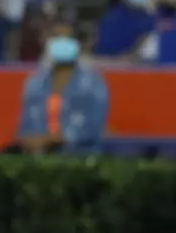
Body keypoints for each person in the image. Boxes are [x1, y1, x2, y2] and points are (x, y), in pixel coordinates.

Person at [14, 22, 109, 154]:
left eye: (67, 39)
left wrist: (49, 140)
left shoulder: (93, 84)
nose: (62, 43)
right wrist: (29, 140)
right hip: (37, 157)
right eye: (57, 37)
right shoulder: (34, 83)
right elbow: (25, 127)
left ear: (76, 44)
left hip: (80, 157)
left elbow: (91, 129)